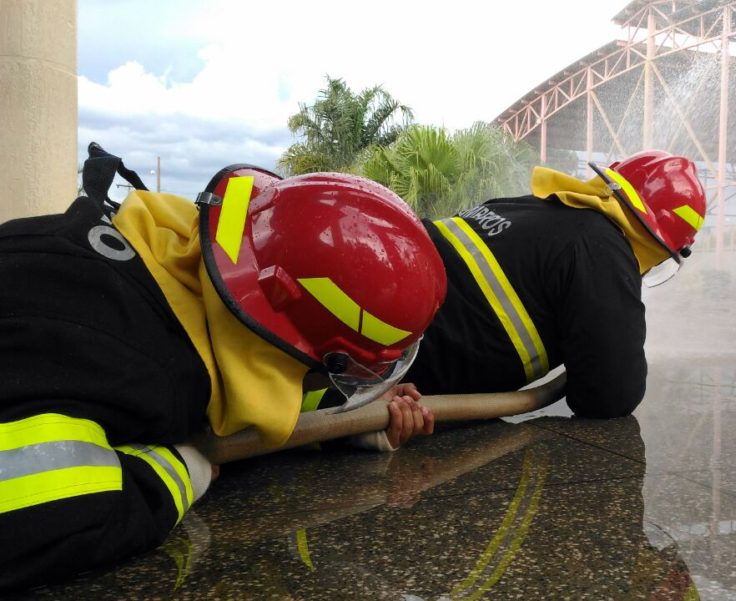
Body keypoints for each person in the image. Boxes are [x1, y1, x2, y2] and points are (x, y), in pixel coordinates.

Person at [0, 144, 446, 590]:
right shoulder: (148, 375)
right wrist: (179, 467)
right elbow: (46, 512)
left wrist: (346, 422)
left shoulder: (149, 252)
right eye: (335, 373)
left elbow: (245, 360)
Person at [403, 150, 707, 418]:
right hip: (396, 372)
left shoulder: (533, 207)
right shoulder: (602, 248)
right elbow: (610, 396)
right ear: (658, 246)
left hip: (384, 341)